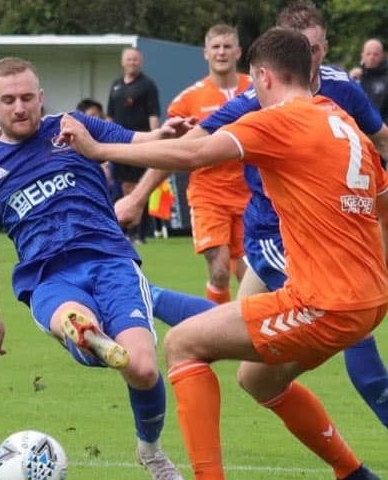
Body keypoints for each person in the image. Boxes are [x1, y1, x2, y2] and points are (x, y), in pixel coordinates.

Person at [59, 27, 385, 480]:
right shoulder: (342, 121)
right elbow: (381, 202)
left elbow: (196, 154)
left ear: (264, 77)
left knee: (183, 343)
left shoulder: (279, 120)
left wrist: (97, 150)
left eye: (254, 83)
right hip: (368, 298)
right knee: (258, 379)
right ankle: (354, 474)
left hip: (326, 302)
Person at [115, 0, 388, 431]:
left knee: (251, 372)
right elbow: (194, 148)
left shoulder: (342, 91)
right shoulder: (255, 100)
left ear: (324, 47)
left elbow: (381, 147)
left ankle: (141, 293)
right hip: (273, 235)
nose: (311, 60)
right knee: (349, 332)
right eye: (303, 49)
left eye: (316, 49)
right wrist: (137, 194)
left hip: (318, 237)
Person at [0, 56, 220, 480]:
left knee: (142, 368)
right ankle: (83, 336)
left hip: (111, 261)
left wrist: (164, 133)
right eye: (8, 100)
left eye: (28, 97)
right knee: (74, 318)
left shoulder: (72, 127)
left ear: (41, 96)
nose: (20, 107)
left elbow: (138, 140)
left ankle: (150, 450)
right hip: (48, 277)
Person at [167, 24, 251, 304]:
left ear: (238, 51)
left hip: (251, 195)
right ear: (205, 53)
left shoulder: (256, 89)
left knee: (251, 275)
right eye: (216, 47)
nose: (222, 52)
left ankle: (254, 338)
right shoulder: (188, 100)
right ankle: (213, 338)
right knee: (219, 270)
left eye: (228, 46)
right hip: (208, 194)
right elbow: (172, 146)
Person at [107, 47, 161, 244]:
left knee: (141, 187)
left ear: (141, 62)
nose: (132, 63)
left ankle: (140, 234)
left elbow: (153, 115)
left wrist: (155, 141)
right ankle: (125, 231)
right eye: (129, 59)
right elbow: (109, 117)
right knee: (124, 186)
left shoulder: (147, 85)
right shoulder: (115, 86)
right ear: (123, 62)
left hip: (140, 144)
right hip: (120, 146)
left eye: (135, 60)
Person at [352, 39, 388, 120]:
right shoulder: (354, 78)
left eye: (376, 54)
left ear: (382, 56)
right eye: (368, 54)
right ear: (362, 55)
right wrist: (349, 80)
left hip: (381, 128)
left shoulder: (386, 80)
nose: (372, 57)